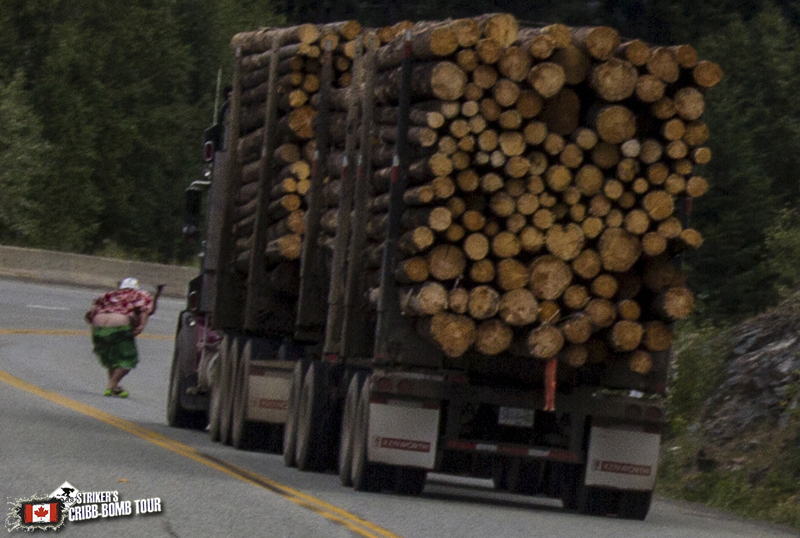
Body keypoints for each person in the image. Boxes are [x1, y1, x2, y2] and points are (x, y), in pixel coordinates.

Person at [84, 278, 164, 397]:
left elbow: (91, 314)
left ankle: (115, 386)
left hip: (98, 327)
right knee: (128, 360)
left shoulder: (108, 295)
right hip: (119, 325)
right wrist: (141, 325)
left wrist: (95, 341)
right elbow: (146, 310)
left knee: (112, 358)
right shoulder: (139, 294)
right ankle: (111, 385)